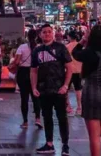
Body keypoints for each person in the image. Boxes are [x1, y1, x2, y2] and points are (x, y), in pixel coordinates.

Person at [75, 25, 101, 156]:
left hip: (92, 94)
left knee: (94, 137)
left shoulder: (88, 53)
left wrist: (83, 40)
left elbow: (75, 53)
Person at [32, 23, 73, 155]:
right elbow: (33, 71)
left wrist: (66, 85)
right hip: (44, 90)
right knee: (47, 117)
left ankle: (65, 145)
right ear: (40, 34)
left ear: (53, 33)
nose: (47, 34)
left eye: (49, 31)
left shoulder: (61, 48)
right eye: (44, 32)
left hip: (59, 89)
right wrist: (34, 87)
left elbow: (70, 68)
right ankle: (49, 143)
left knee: (62, 118)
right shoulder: (37, 51)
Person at [10, 28, 41, 129]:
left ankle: (25, 122)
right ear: (36, 36)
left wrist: (12, 65)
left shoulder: (22, 47)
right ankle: (38, 119)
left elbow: (17, 62)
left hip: (23, 73)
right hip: (35, 73)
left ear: (27, 36)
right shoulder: (39, 47)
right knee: (36, 96)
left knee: (24, 98)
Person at [65, 30, 84, 116]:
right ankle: (79, 107)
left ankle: (68, 107)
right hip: (79, 70)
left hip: (69, 71)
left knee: (66, 90)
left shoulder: (67, 47)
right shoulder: (80, 46)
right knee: (78, 89)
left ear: (69, 37)